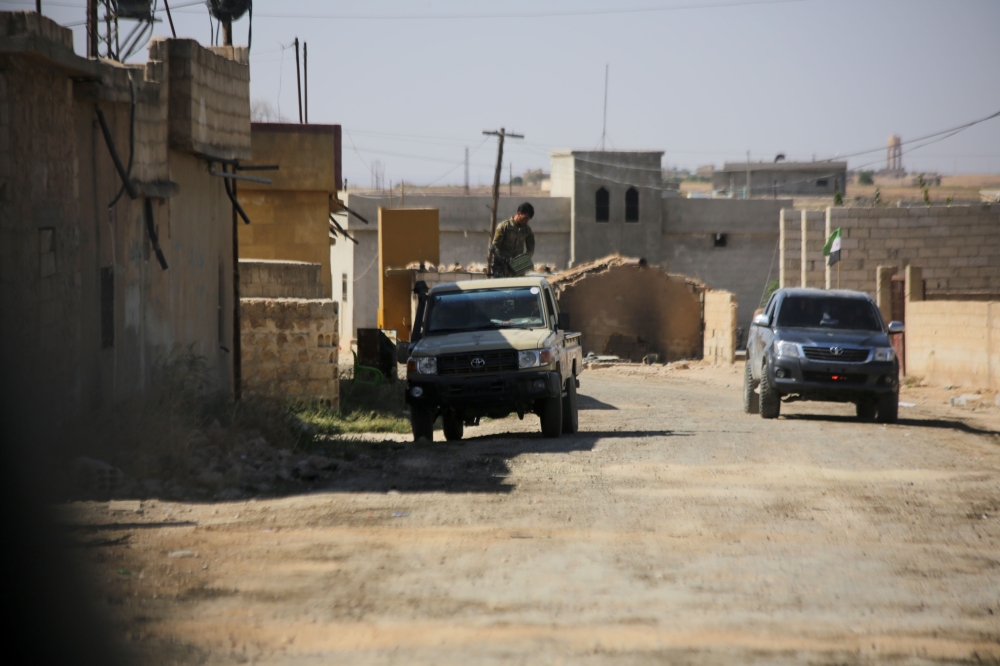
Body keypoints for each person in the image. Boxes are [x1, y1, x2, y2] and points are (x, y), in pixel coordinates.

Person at [489, 202, 535, 277]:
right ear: (519, 213)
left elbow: (531, 249)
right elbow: (495, 245)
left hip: (518, 268)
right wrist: (502, 258)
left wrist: (523, 260)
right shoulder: (504, 226)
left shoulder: (527, 230)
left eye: (528, 219)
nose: (526, 221)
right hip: (503, 268)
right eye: (525, 218)